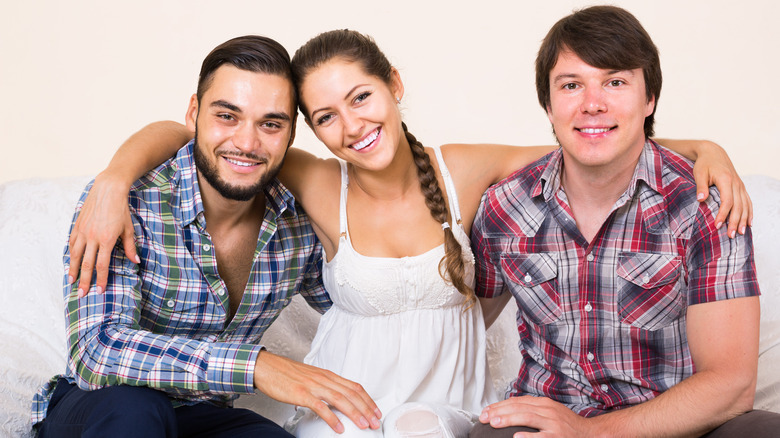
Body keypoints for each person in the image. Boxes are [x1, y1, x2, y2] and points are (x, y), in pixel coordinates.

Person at [65, 30, 752, 437]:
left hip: (435, 407)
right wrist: (113, 178)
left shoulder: (461, 170)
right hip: (339, 407)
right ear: (311, 129)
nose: (352, 126)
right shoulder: (309, 180)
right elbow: (186, 134)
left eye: (362, 98)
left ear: (394, 85)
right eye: (326, 115)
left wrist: (701, 146)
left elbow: (588, 143)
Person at [31, 35, 383, 438]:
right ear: (194, 113)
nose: (247, 144)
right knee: (136, 411)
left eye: (270, 124)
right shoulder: (128, 202)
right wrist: (256, 365)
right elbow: (97, 351)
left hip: (203, 414)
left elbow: (354, 312)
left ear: (290, 135)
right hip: (103, 406)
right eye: (227, 116)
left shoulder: (297, 222)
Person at [470, 6, 780, 437]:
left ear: (649, 97)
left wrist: (590, 432)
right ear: (548, 104)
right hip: (548, 421)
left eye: (615, 82)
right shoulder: (505, 207)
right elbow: (457, 327)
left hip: (673, 423)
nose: (592, 103)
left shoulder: (705, 204)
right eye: (571, 85)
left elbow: (731, 383)